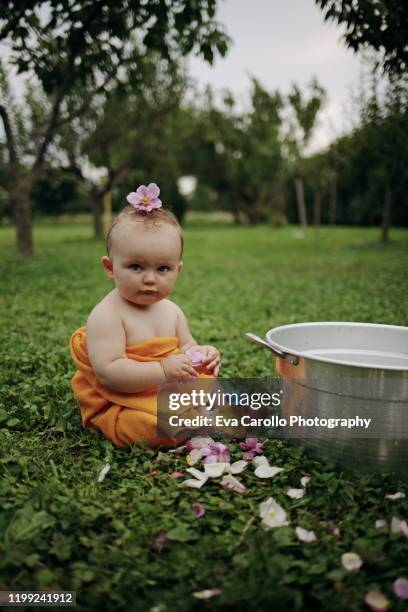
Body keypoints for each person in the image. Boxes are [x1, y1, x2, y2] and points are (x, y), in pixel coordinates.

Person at [70, 183, 221, 447]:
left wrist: (202, 354)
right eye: (136, 266)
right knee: (146, 426)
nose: (150, 279)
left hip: (164, 386)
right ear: (110, 267)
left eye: (163, 268)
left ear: (178, 270)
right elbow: (110, 372)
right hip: (123, 397)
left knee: (219, 393)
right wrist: (162, 369)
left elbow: (187, 347)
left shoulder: (172, 311)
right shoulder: (107, 315)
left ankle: (192, 416)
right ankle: (178, 424)